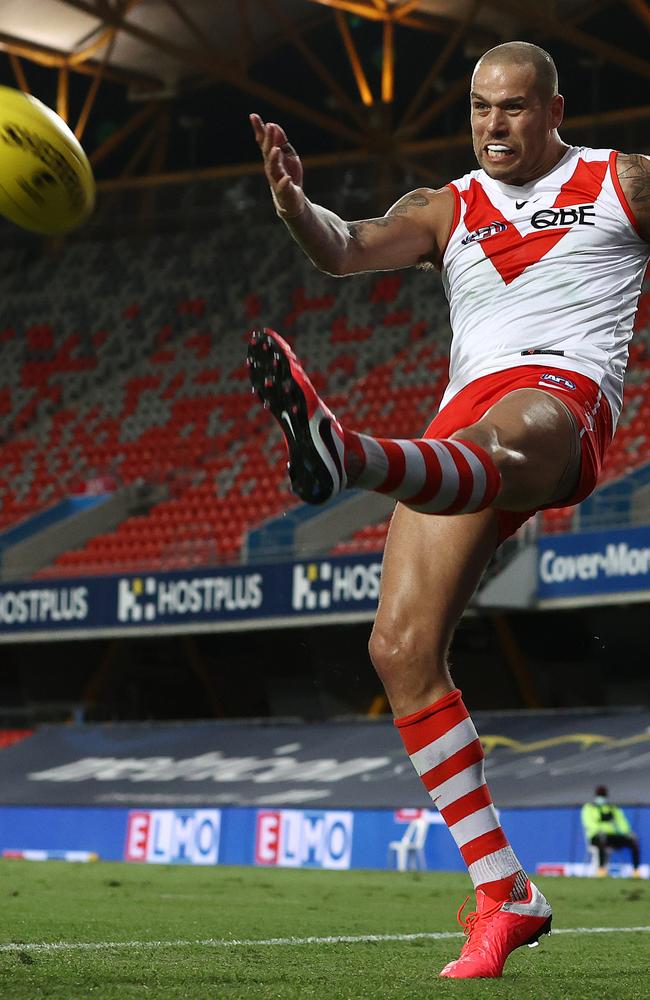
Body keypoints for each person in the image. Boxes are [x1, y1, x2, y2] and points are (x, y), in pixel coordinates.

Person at [248, 40, 650, 979]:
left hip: (562, 395)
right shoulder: (447, 206)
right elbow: (346, 248)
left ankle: (346, 456)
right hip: (458, 422)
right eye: (478, 108)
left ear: (554, 111)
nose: (492, 125)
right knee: (399, 650)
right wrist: (292, 205)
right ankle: (504, 892)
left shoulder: (623, 181)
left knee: (503, 439)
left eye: (512, 109)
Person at [582, 785, 641, 877]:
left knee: (633, 842)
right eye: (600, 796)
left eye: (603, 796)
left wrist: (628, 832)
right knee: (602, 841)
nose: (601, 798)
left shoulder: (613, 808)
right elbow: (588, 823)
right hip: (595, 836)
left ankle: (636, 871)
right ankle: (601, 870)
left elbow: (621, 822)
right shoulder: (589, 808)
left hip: (611, 836)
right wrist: (598, 830)